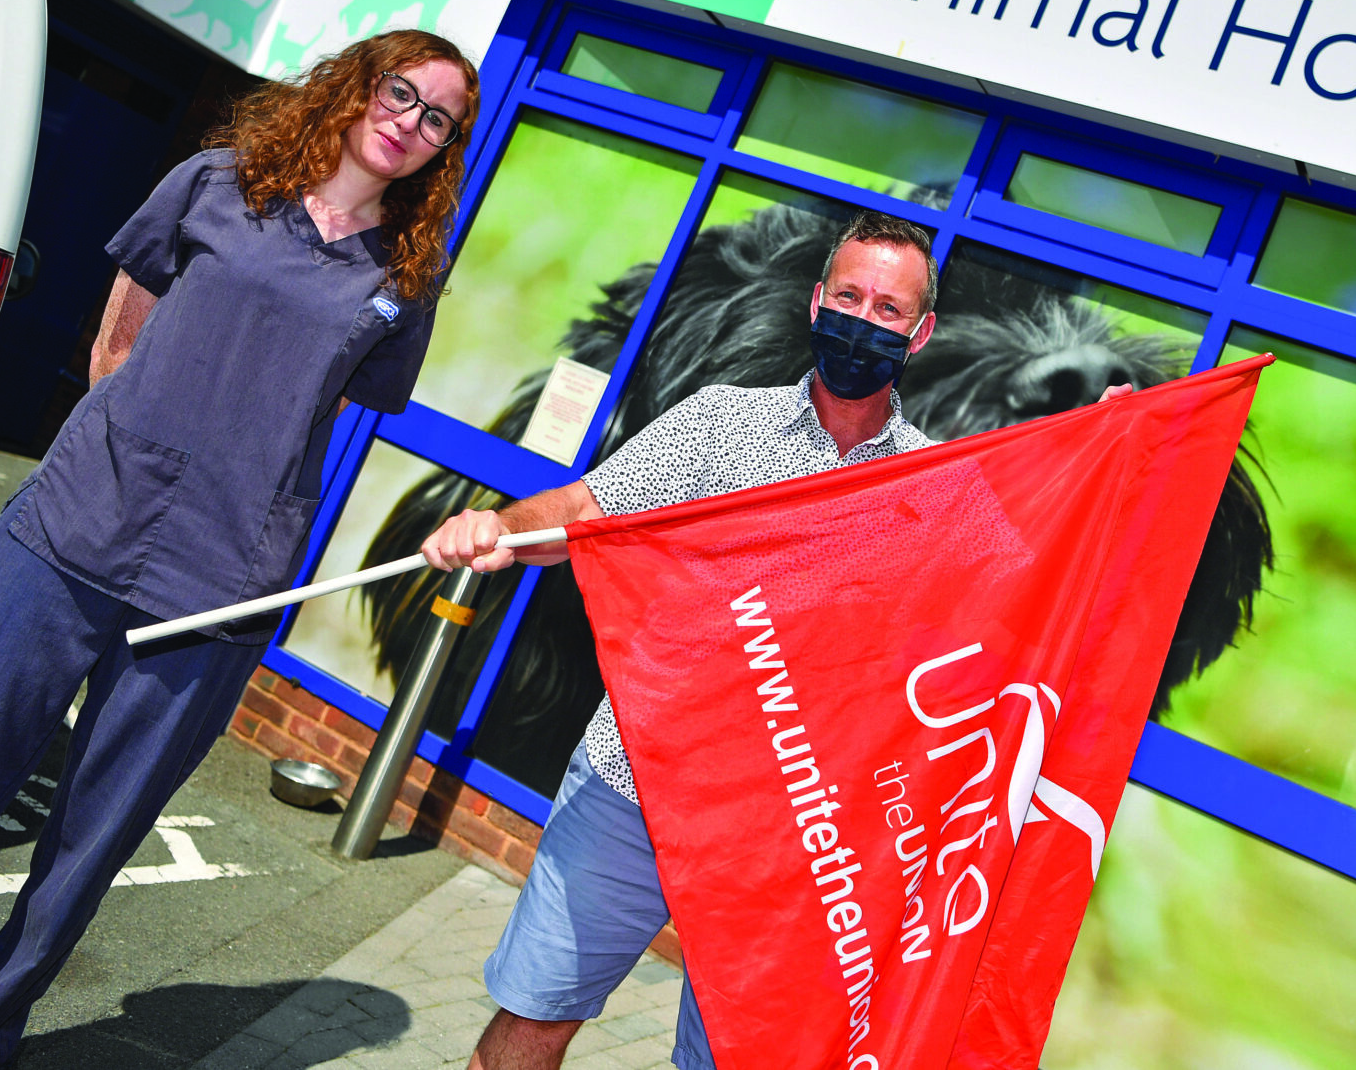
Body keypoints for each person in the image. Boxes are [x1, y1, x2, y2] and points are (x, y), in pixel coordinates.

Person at [0, 29, 478, 1068]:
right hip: (71, 531)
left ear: (445, 148)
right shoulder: (216, 181)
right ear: (353, 83)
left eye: (439, 119)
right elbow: (116, 342)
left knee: (85, 847)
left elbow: (329, 404)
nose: (410, 122)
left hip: (218, 582)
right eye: (401, 92)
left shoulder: (405, 273)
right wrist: (132, 453)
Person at [421, 211, 1132, 1070]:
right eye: (849, 295)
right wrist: (497, 528)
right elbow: (585, 512)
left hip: (795, 836)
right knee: (532, 1021)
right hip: (636, 786)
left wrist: (1097, 459)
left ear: (919, 331)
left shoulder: (940, 486)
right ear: (814, 302)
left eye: (889, 308)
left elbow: (1032, 602)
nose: (864, 319)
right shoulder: (721, 421)